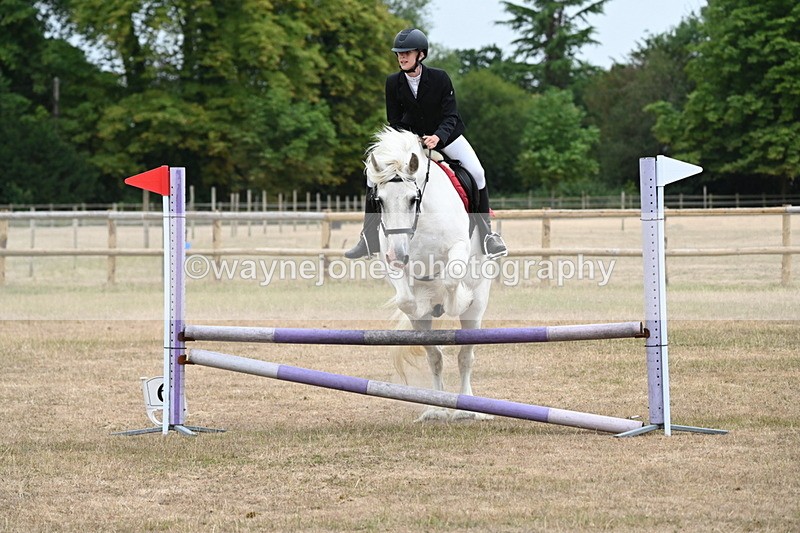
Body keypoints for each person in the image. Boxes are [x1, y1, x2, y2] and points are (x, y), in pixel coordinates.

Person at [344, 28, 508, 260]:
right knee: (373, 177)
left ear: (421, 54)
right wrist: (414, 140)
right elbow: (395, 120)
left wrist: (437, 137)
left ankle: (486, 235)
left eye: (407, 53)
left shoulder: (440, 78)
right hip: (411, 141)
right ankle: (368, 239)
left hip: (446, 136)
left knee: (478, 173)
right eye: (399, 53)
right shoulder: (393, 82)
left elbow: (450, 115)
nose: (401, 57)